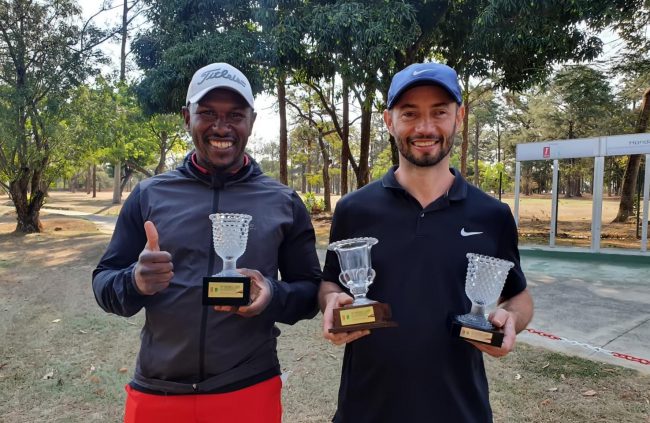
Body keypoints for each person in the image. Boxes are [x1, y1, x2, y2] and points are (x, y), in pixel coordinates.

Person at [93, 62, 322, 423]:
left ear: (251, 120)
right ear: (187, 117)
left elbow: (310, 293)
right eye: (207, 113)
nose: (221, 127)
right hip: (157, 392)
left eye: (235, 114)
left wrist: (271, 296)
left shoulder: (283, 202)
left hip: (248, 390)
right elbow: (103, 284)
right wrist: (134, 281)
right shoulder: (150, 195)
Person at [319, 62, 534, 422]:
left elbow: (518, 295)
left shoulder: (492, 214)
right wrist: (331, 303)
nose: (425, 127)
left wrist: (510, 319)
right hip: (366, 409)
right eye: (410, 113)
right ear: (389, 121)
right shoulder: (353, 209)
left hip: (460, 409)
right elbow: (329, 283)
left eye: (439, 112)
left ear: (459, 117)